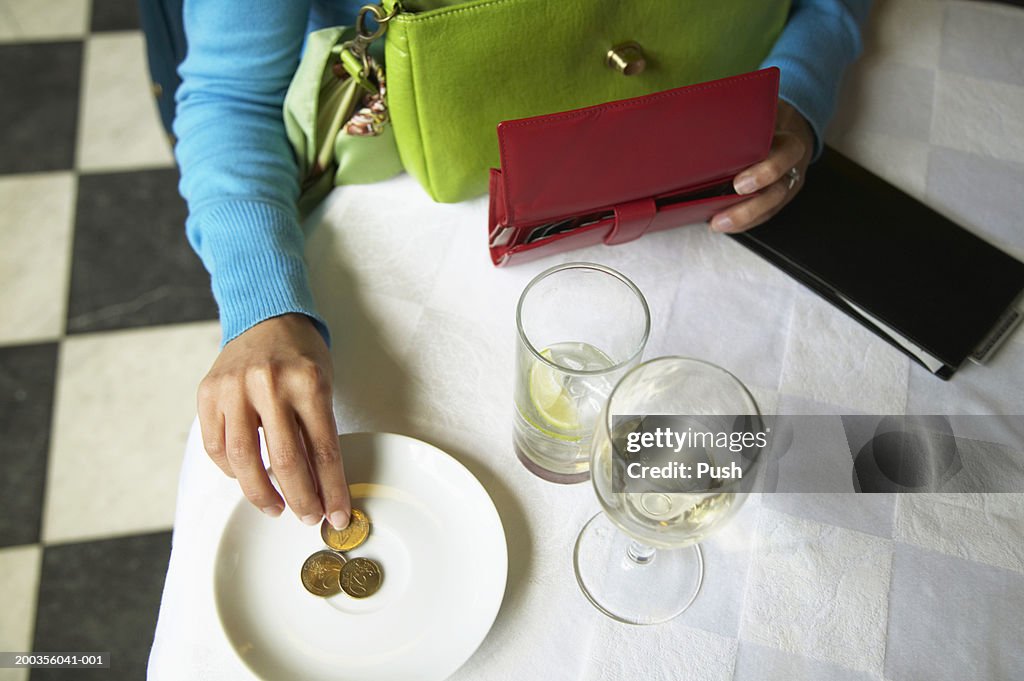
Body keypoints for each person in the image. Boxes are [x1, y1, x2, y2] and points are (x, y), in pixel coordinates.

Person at [140, 0, 871, 532]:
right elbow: (230, 98)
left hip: (711, 162)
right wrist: (265, 305)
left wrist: (799, 94)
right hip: (418, 210)